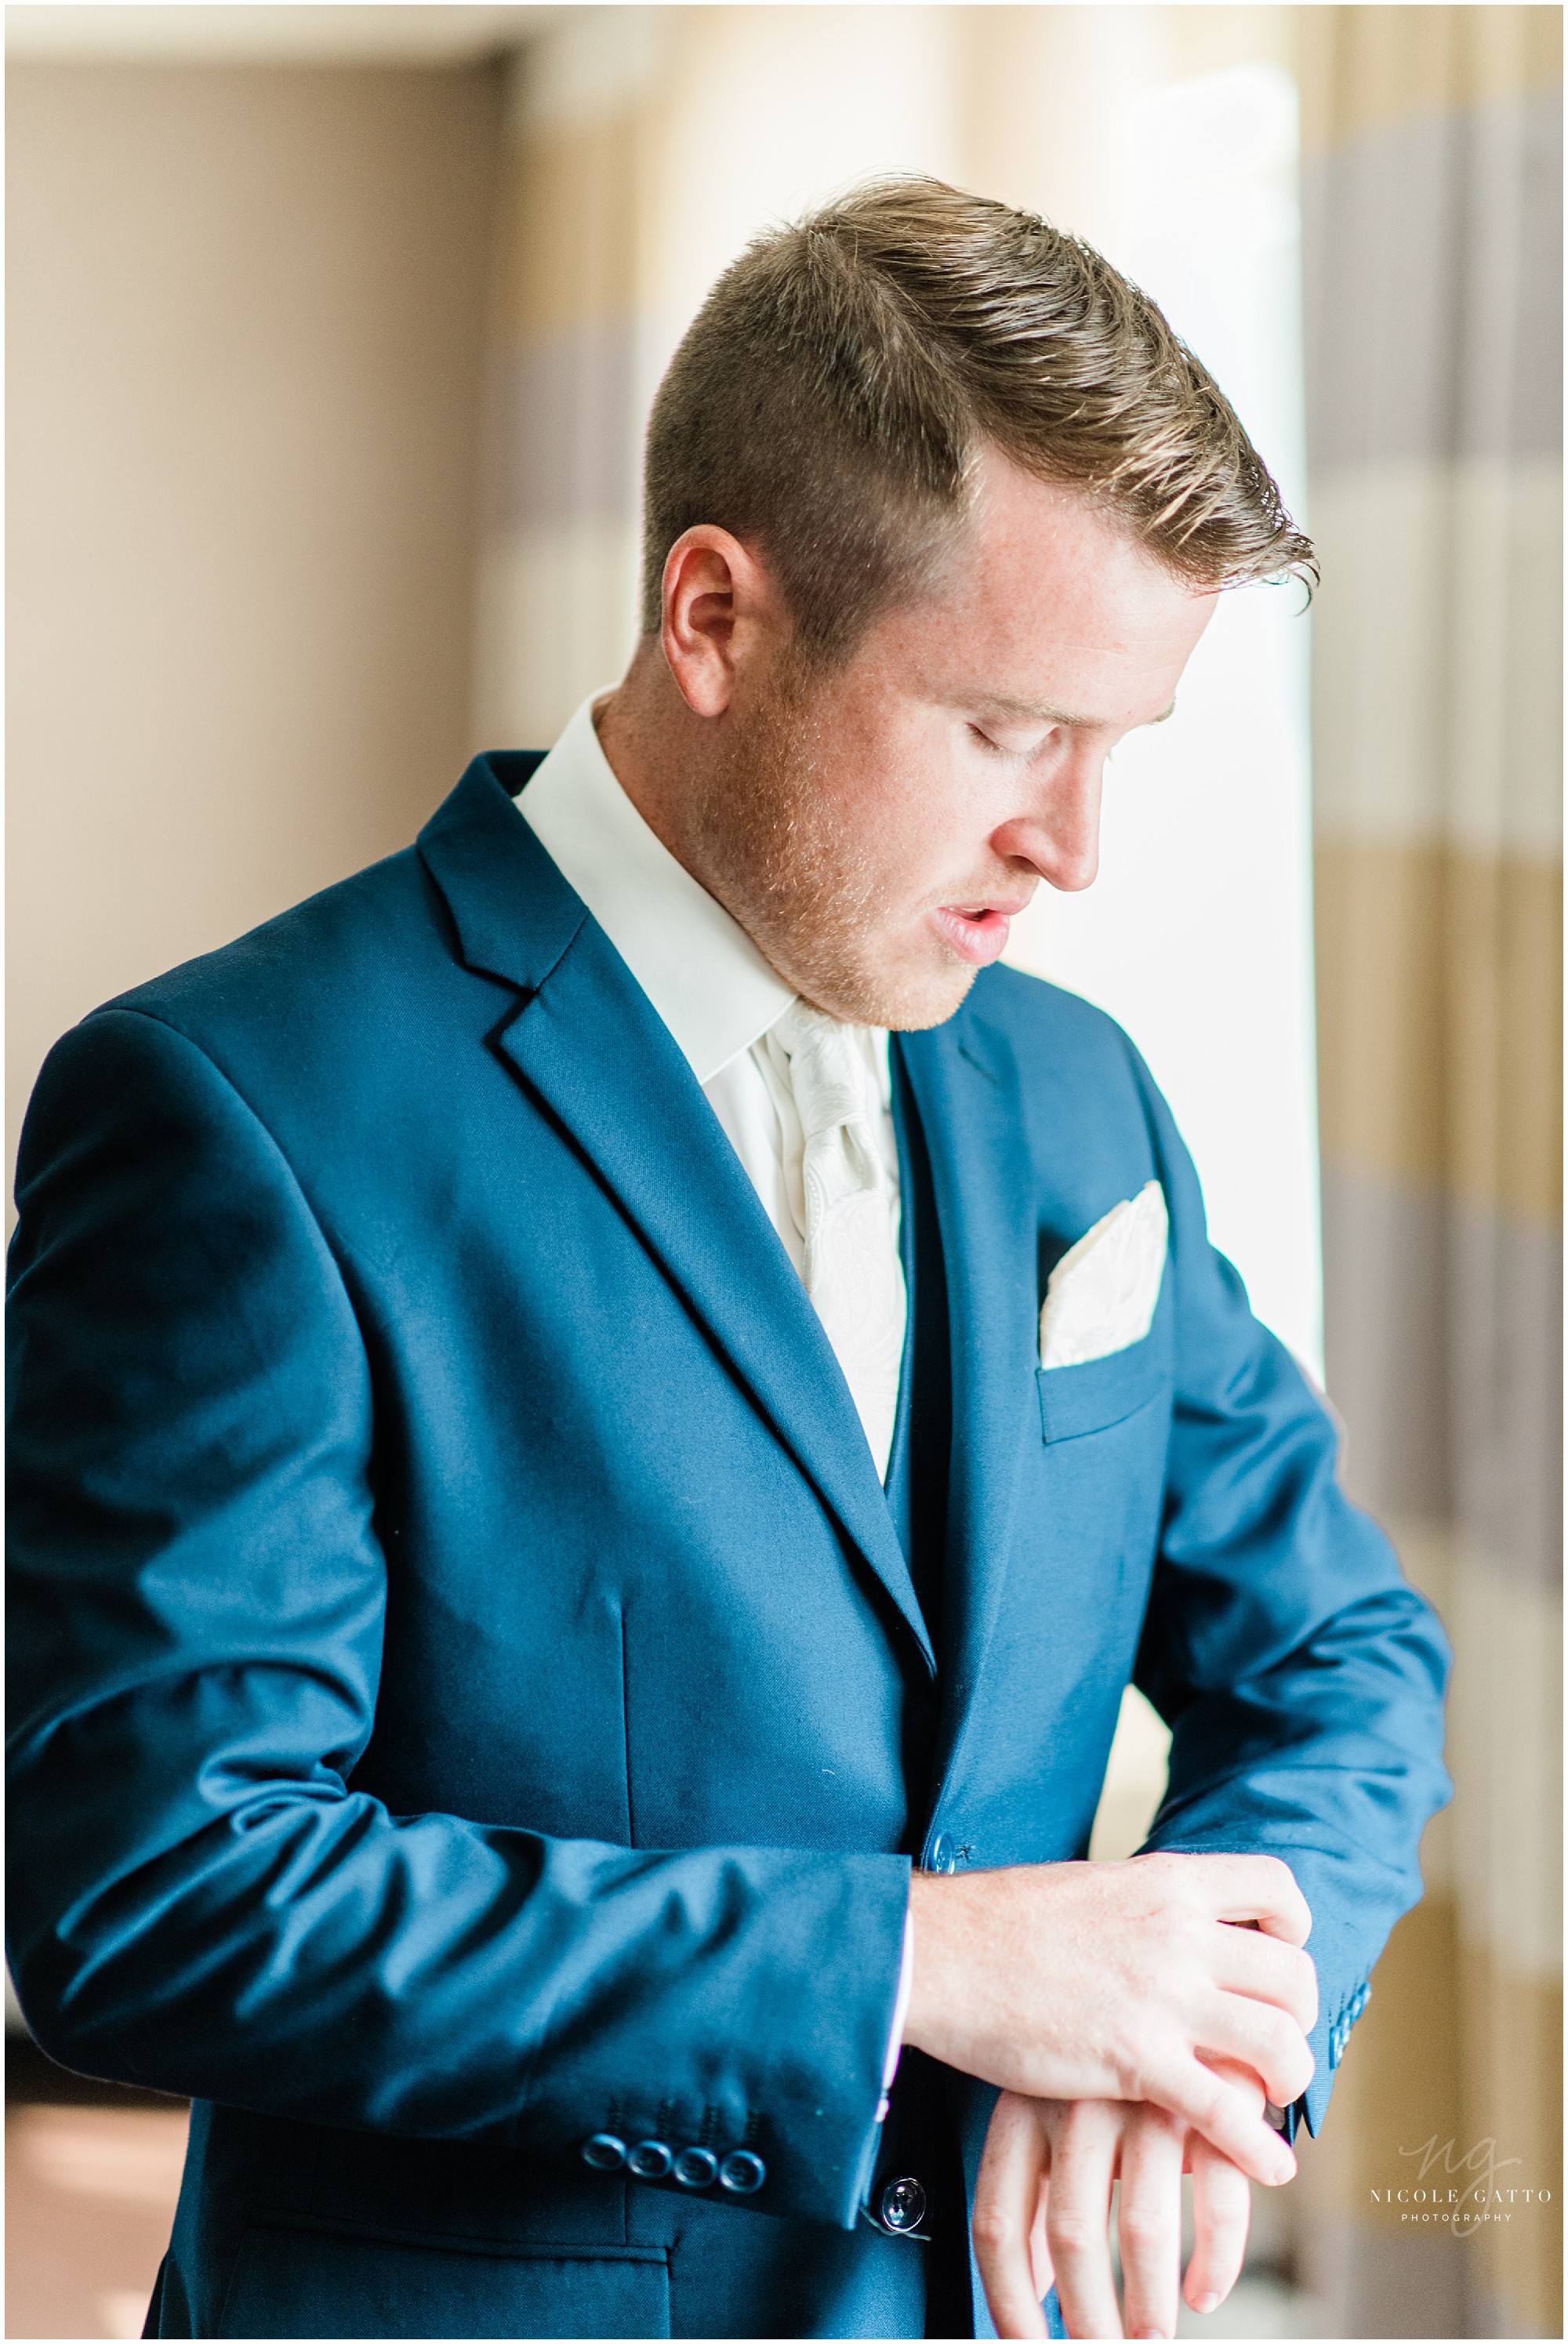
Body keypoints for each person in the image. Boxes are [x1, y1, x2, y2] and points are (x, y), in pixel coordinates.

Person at [7, 179, 1449, 2343]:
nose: (1074, 849)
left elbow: (1345, 1659)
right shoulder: (235, 1109)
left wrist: (1193, 2032)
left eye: (1117, 748)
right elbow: (164, 1890)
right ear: (716, 616)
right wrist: (930, 1973)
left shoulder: (1080, 1096)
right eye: (1005, 730)